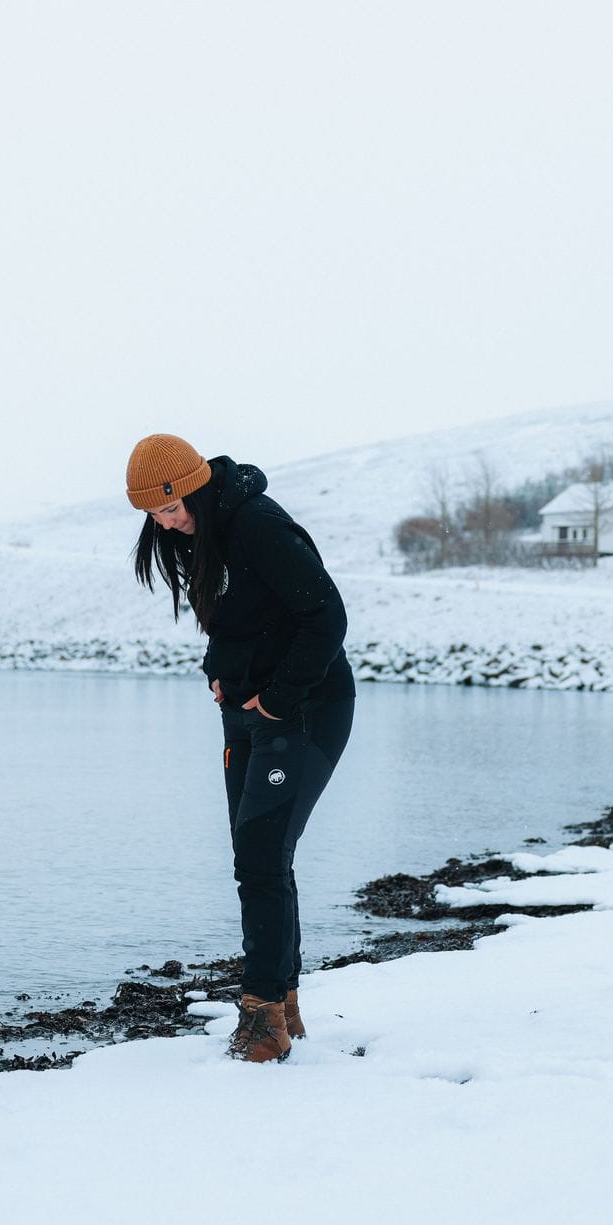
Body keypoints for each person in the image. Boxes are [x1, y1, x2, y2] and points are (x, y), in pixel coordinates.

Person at [127, 433, 355, 1063]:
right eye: (155, 516)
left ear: (196, 484)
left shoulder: (256, 524)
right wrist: (223, 674)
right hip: (249, 715)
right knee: (260, 858)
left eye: (172, 509)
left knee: (261, 855)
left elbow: (326, 617)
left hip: (305, 710)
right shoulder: (204, 534)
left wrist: (279, 697)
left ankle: (260, 1021)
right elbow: (244, 621)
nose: (168, 525)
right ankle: (283, 1006)